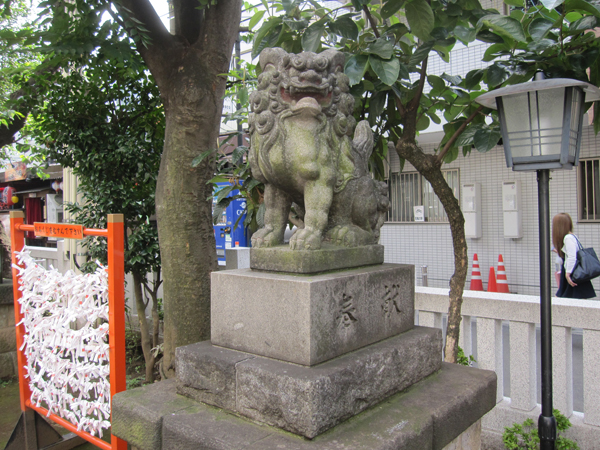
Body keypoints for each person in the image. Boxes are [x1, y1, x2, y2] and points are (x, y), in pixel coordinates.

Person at [552, 213, 596, 299]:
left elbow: (572, 257)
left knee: (563, 297)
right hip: (574, 270)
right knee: (573, 297)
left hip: (572, 271)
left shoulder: (568, 238)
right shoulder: (572, 236)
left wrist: (568, 274)